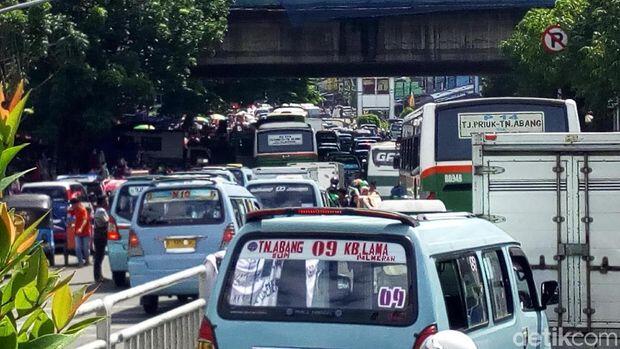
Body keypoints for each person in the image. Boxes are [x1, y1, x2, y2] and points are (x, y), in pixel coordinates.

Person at [70, 198, 91, 267]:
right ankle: (80, 262)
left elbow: (84, 220)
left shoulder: (83, 210)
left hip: (85, 232)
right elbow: (73, 218)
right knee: (78, 248)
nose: (72, 206)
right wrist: (73, 224)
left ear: (76, 204)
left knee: (85, 248)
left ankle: (87, 261)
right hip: (77, 233)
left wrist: (81, 228)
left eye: (72, 204)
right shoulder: (74, 210)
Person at [93, 197, 110, 282]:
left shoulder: (98, 210)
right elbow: (107, 221)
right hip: (100, 236)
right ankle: (98, 277)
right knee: (99, 257)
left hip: (98, 236)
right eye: (106, 201)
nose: (107, 202)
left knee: (99, 257)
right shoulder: (101, 211)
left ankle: (99, 275)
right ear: (102, 202)